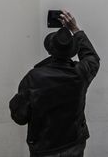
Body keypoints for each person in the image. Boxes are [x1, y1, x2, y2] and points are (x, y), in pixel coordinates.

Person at [9, 10, 100, 157]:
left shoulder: (34, 78)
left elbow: (19, 117)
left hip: (44, 148)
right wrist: (75, 29)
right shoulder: (80, 73)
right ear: (72, 51)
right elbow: (92, 57)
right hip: (74, 144)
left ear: (51, 50)